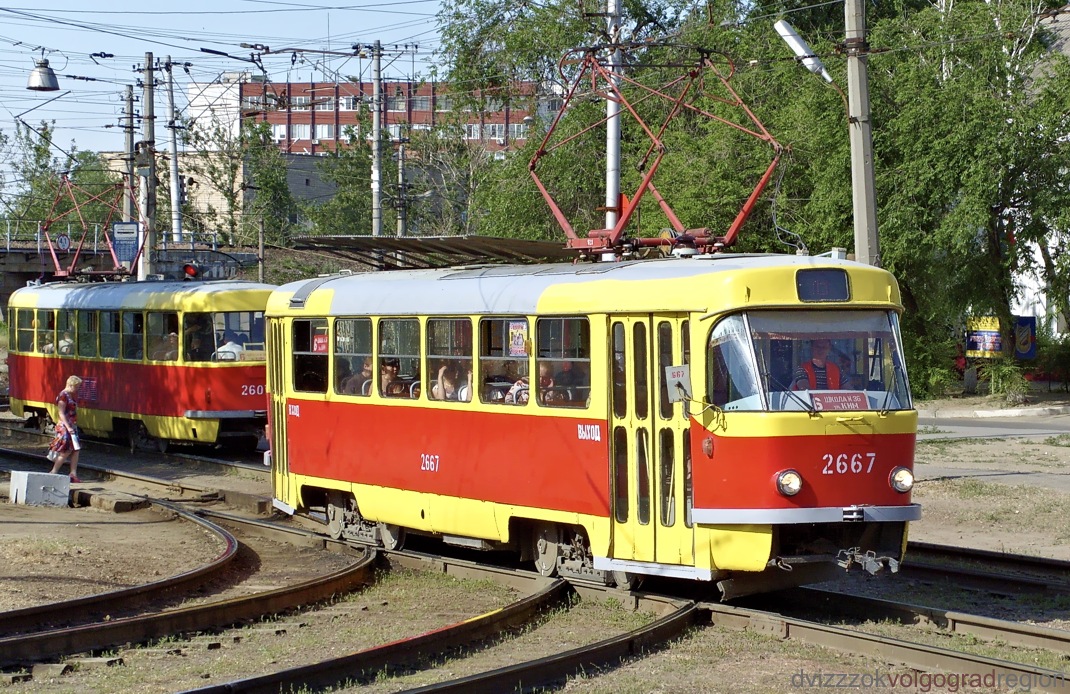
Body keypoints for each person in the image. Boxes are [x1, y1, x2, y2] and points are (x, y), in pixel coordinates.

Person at [47, 375, 83, 483]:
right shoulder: (63, 396)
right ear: (71, 385)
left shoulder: (70, 395)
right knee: (66, 451)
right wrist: (68, 427)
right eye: (77, 387)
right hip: (65, 427)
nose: (78, 389)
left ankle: (73, 473)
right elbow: (61, 413)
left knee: (76, 449)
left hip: (71, 426)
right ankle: (53, 472)